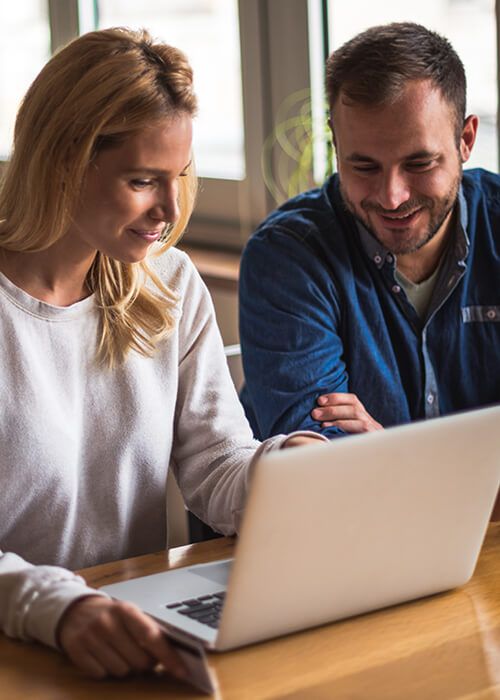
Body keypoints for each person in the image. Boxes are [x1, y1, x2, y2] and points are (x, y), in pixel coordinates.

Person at [0, 28, 322, 681]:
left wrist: (283, 468)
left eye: (179, 177)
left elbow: (215, 463)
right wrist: (57, 607)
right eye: (143, 180)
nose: (169, 211)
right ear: (62, 162)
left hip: (127, 642)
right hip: (25, 642)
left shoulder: (167, 282)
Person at [239, 22, 500, 443]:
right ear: (335, 143)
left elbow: (360, 464)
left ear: (466, 139)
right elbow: (320, 468)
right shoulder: (287, 257)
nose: (392, 197)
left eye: (419, 164)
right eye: (364, 166)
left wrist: (384, 449)